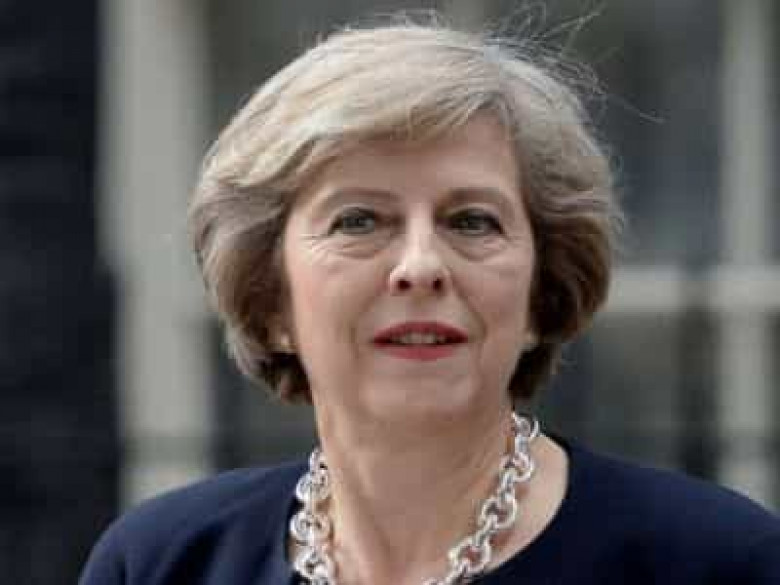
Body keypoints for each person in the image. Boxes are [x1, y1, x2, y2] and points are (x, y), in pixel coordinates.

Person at [80, 17, 779, 585]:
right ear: (271, 301)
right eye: (359, 220)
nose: (420, 266)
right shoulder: (161, 563)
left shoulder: (718, 561)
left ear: (540, 294)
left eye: (472, 221)